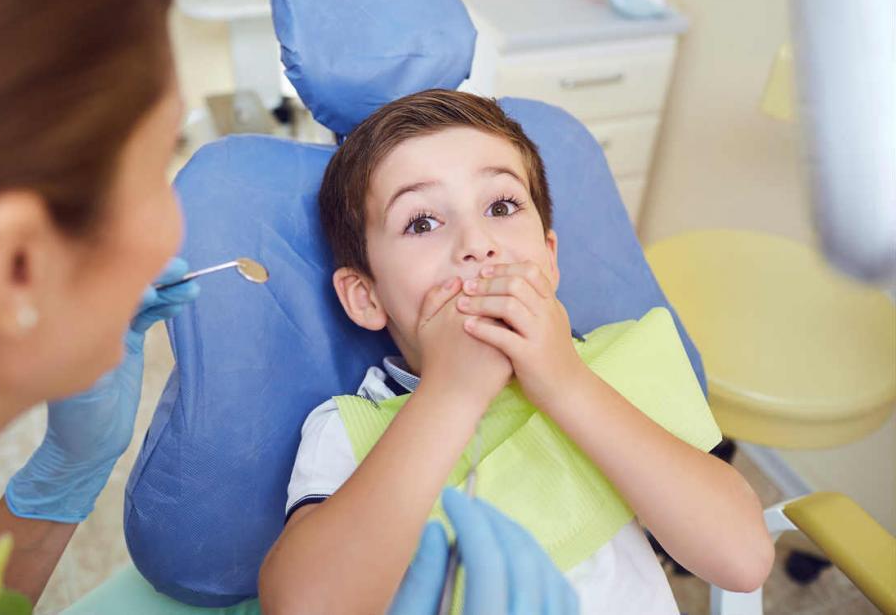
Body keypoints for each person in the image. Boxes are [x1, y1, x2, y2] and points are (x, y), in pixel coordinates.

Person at [0, 0, 574, 613]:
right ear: (16, 269)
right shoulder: (345, 437)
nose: (180, 222)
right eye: (156, 168)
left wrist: (59, 481)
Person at [259, 89, 775, 614]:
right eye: (421, 222)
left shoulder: (605, 370)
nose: (477, 242)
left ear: (548, 261)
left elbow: (742, 558)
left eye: (501, 206)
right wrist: (451, 392)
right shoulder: (346, 431)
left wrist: (567, 383)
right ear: (366, 296)